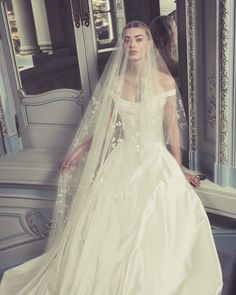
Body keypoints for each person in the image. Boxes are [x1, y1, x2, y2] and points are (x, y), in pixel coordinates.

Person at [0, 20, 223, 295]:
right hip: (123, 160)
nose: (132, 45)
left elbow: (172, 129)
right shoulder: (117, 84)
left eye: (139, 39)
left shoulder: (165, 81)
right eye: (127, 39)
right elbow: (106, 128)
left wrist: (178, 169)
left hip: (156, 161)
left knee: (156, 220)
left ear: (150, 44)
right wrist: (79, 151)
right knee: (109, 228)